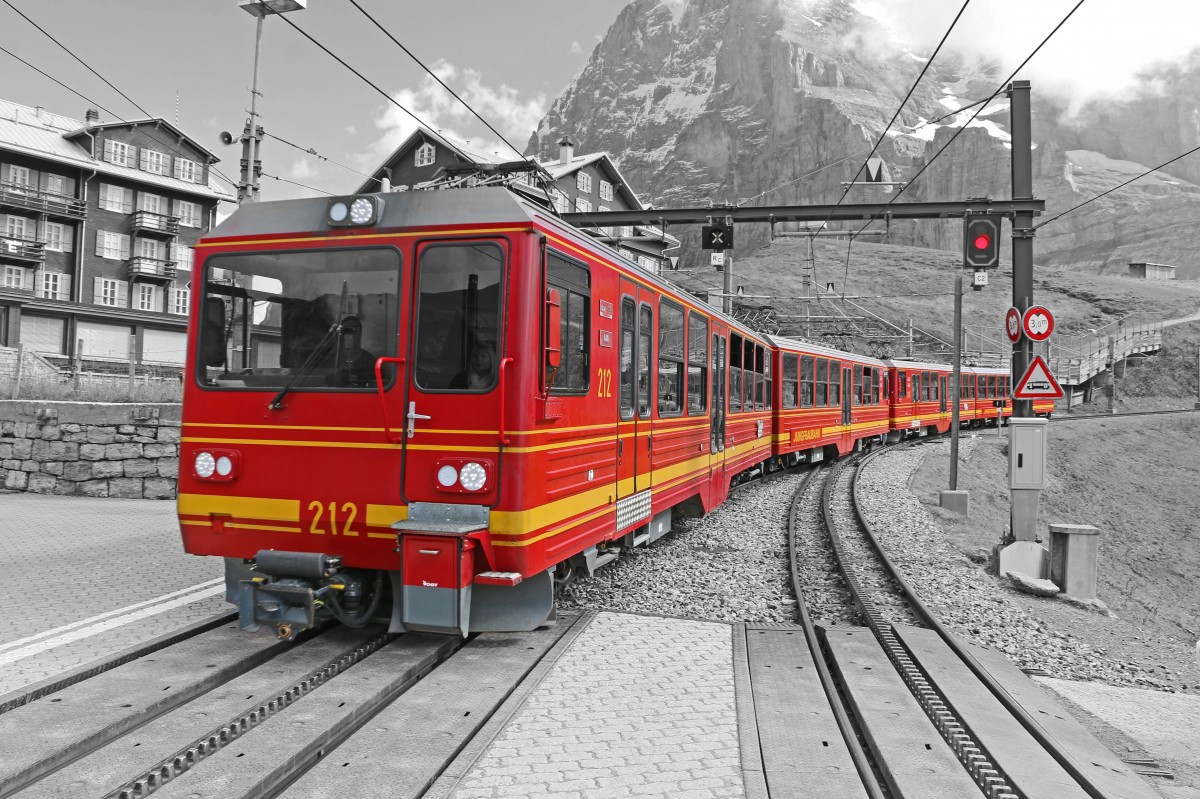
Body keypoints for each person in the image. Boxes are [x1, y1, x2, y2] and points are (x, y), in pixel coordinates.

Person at [328, 316, 378, 387]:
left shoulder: (369, 360)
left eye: (355, 331)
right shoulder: (332, 359)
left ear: (360, 334)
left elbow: (373, 386)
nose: (350, 335)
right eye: (346, 331)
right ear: (340, 335)